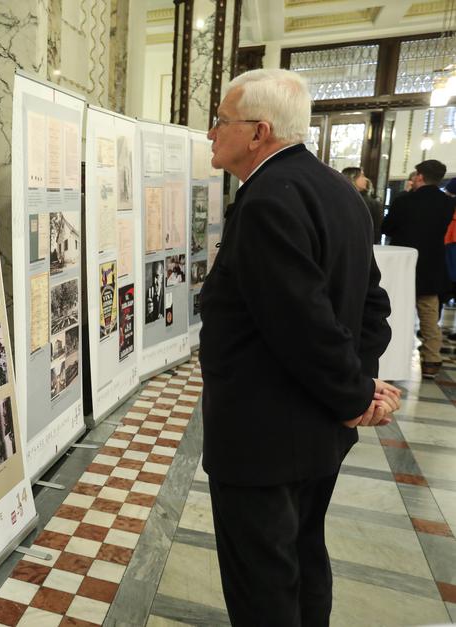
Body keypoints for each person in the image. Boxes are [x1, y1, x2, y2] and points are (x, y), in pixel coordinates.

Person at [200, 68, 401, 626]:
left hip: (265, 439)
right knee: (305, 554)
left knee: (262, 580)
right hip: (318, 435)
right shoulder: (338, 189)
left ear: (259, 132)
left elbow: (302, 326)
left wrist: (353, 395)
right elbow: (372, 309)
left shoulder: (266, 202)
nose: (211, 132)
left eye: (221, 121)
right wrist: (355, 388)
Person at [382, 159, 455, 379]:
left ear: (420, 176)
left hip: (403, 265)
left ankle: (390, 357)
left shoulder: (404, 201)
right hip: (432, 264)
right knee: (430, 313)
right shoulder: (448, 203)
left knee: (393, 312)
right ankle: (431, 360)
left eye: (414, 175)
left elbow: (387, 227)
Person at [341, 166, 383, 244]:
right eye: (362, 176)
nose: (366, 179)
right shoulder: (369, 202)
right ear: (352, 178)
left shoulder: (338, 198)